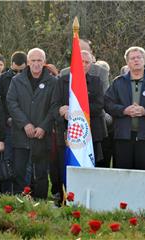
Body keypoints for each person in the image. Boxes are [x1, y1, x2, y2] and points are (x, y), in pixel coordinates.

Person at [104, 46, 145, 170]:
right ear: (127, 62)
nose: (136, 60)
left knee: (144, 173)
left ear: (144, 60)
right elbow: (107, 103)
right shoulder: (118, 82)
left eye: (139, 57)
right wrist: (123, 110)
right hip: (123, 136)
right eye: (132, 58)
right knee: (123, 173)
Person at [53, 50, 105, 199]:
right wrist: (61, 110)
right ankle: (65, 198)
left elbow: (99, 106)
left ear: (91, 65)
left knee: (89, 171)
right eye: (80, 61)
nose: (83, 65)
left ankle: (89, 199)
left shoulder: (96, 82)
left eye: (87, 62)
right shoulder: (61, 81)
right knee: (67, 169)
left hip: (89, 136)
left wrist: (77, 111)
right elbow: (53, 106)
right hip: (67, 135)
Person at [7, 48, 56, 199]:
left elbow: (54, 106)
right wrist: (25, 124)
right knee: (19, 171)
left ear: (44, 62)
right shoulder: (17, 80)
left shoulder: (53, 81)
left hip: (42, 136)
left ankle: (40, 204)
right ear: (28, 62)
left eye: (39, 60)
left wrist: (43, 126)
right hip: (21, 135)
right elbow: (11, 103)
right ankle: (18, 203)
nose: (36, 64)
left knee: (40, 173)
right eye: (33, 60)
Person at [0, 51, 27, 193]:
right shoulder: (2, 80)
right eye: (15, 71)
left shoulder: (30, 79)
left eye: (21, 71)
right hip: (8, 126)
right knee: (7, 161)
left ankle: (24, 192)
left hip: (25, 126)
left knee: (25, 163)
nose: (18, 74)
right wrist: (8, 118)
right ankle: (6, 192)